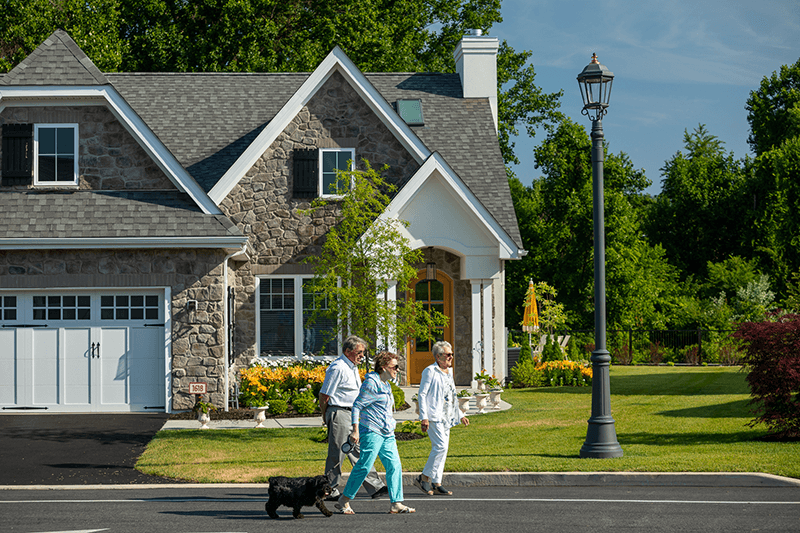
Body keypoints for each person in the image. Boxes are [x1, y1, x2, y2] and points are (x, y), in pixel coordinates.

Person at [336, 351, 415, 515]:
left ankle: (396, 503)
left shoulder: (386, 384)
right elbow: (357, 406)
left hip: (386, 431)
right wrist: (355, 430)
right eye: (395, 366)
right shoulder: (371, 383)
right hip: (371, 430)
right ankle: (344, 500)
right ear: (384, 367)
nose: (397, 370)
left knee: (394, 465)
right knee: (364, 466)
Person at [319, 335, 388, 501]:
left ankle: (375, 486)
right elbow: (324, 395)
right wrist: (326, 415)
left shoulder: (352, 367)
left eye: (363, 352)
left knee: (360, 451)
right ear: (347, 351)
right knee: (338, 453)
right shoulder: (338, 367)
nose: (362, 356)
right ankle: (330, 488)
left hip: (353, 415)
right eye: (359, 352)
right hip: (340, 413)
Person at [414, 340, 469, 496]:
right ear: (438, 357)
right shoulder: (430, 371)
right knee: (440, 447)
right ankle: (424, 477)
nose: (451, 357)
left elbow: (451, 395)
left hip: (446, 417)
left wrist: (460, 414)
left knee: (443, 450)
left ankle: (437, 482)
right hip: (433, 415)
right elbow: (422, 394)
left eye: (452, 355)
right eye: (448, 355)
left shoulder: (448, 372)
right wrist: (423, 417)